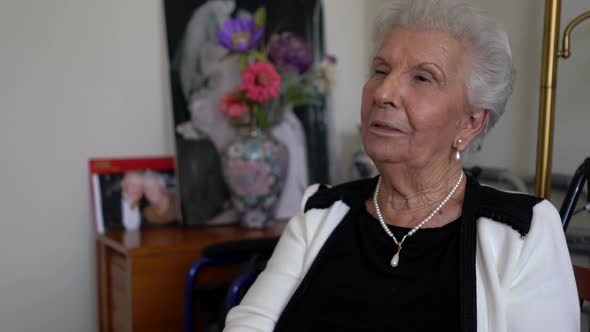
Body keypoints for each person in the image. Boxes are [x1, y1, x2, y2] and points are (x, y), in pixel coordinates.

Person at [224, 0, 580, 331]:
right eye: (380, 70)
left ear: (470, 123)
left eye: (422, 78)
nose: (384, 92)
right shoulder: (320, 212)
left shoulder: (521, 232)